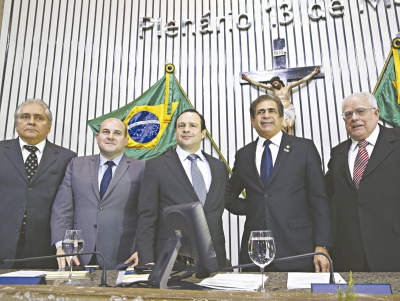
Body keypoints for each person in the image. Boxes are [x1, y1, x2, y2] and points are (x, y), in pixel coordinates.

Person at [226, 94, 332, 272]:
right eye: (260, 112)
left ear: (282, 118)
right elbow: (228, 196)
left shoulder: (304, 148)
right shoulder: (243, 154)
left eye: (271, 111)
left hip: (298, 250)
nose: (266, 115)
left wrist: (322, 245)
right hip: (255, 254)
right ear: (252, 121)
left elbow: (319, 199)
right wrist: (255, 207)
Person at [136, 109, 237, 269]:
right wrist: (146, 261)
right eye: (181, 125)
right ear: (176, 131)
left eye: (193, 125)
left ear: (203, 133)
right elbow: (147, 217)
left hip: (214, 257)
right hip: (173, 260)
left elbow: (227, 202)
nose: (186, 129)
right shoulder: (156, 166)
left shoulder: (218, 167)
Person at [51, 118, 145, 270]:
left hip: (124, 257)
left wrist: (143, 249)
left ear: (126, 140)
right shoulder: (76, 164)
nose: (110, 137)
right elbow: (62, 209)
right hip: (77, 257)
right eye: (106, 132)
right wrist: (62, 244)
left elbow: (147, 214)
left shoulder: (142, 169)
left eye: (117, 133)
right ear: (97, 137)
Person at [325, 92, 400, 272]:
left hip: (393, 250)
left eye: (360, 111)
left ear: (376, 112)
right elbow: (324, 193)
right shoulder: (337, 153)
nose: (354, 118)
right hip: (350, 256)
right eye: (348, 114)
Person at [0, 99, 76, 269]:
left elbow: (67, 205)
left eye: (39, 118)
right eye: (25, 117)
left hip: (44, 248)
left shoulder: (67, 158)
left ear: (49, 127)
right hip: (3, 243)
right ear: (16, 123)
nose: (31, 122)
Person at [242, 67, 320, 135]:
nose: (275, 84)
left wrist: (314, 72)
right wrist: (247, 79)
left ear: (279, 81)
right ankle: (285, 141)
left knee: (290, 126)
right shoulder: (273, 89)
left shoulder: (288, 87)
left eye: (276, 82)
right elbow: (259, 84)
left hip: (289, 108)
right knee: (284, 126)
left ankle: (291, 141)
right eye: (273, 84)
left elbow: (302, 80)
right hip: (281, 109)